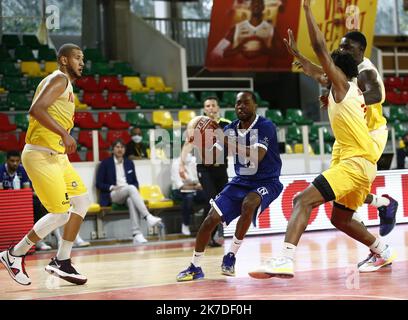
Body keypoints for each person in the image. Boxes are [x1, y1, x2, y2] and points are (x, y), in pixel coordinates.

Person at [248, 0, 396, 279]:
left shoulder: (344, 85)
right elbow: (314, 69)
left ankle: (285, 259)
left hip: (354, 163)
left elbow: (320, 51)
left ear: (337, 70)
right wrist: (295, 54)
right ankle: (383, 249)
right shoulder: (342, 87)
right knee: (339, 218)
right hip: (362, 164)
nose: (328, 62)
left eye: (332, 61)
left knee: (302, 201)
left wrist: (306, 9)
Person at [284, 25, 398, 240]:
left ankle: (377, 233)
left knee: (352, 182)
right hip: (349, 136)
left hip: (370, 135)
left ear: (361, 50)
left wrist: (347, 98)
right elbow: (325, 73)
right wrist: (332, 91)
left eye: (348, 47)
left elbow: (377, 95)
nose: (343, 51)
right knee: (338, 187)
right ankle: (383, 204)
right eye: (341, 47)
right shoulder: (347, 71)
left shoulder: (367, 71)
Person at [0, 43, 91, 286]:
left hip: (57, 156)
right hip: (40, 154)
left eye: (83, 59)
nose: (82, 62)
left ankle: (62, 260)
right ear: (63, 60)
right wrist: (64, 133)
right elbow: (36, 109)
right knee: (60, 213)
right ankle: (14, 254)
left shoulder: (67, 85)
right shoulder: (59, 79)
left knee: (81, 201)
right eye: (77, 58)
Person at [177, 91, 283, 281]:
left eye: (246, 103)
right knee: (210, 219)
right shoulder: (230, 129)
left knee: (249, 204)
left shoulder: (266, 126)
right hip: (241, 181)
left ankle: (230, 256)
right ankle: (195, 267)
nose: (241, 107)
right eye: (237, 104)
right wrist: (199, 140)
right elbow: (213, 155)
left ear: (255, 106)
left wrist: (225, 139)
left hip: (267, 181)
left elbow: (256, 156)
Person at [179, 97, 231, 247]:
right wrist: (181, 164)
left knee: (221, 203)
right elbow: (188, 145)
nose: (210, 108)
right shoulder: (198, 125)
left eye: (213, 105)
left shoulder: (226, 124)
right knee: (212, 201)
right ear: (204, 109)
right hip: (204, 169)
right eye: (207, 106)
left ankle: (212, 235)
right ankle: (207, 235)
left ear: (218, 108)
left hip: (221, 169)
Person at [96, 139, 162, 244]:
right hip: (113, 193)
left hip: (128, 192)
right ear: (113, 149)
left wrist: (131, 188)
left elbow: (135, 182)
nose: (120, 149)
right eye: (117, 147)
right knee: (131, 188)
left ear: (125, 150)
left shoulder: (129, 163)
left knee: (131, 198)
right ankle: (148, 216)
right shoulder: (105, 163)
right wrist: (112, 187)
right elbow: (99, 183)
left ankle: (137, 234)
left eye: (122, 147)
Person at [0, 150, 53, 251]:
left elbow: (27, 189)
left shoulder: (22, 170)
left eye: (17, 161)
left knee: (38, 205)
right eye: (12, 161)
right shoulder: (0, 170)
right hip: (4, 202)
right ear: (6, 161)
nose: (15, 163)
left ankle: (38, 240)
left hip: (21, 201)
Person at [171, 151, 205, 236]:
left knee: (208, 195)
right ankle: (185, 224)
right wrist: (195, 186)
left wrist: (197, 185)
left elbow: (199, 180)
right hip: (179, 191)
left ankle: (206, 225)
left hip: (195, 188)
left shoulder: (194, 161)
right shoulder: (176, 164)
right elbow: (181, 186)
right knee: (188, 197)